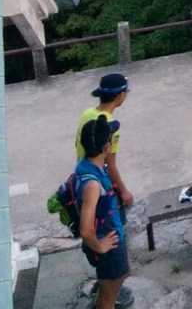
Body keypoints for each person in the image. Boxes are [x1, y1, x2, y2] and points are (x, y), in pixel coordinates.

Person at [75, 115, 130, 309]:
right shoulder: (92, 184)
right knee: (108, 301)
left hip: (110, 242)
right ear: (106, 147)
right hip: (109, 249)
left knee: (109, 292)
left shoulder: (86, 166)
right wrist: (100, 246)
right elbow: (85, 230)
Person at [75, 73, 134, 213]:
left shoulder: (87, 113)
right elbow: (111, 165)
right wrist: (124, 191)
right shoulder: (110, 126)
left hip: (82, 170)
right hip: (100, 179)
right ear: (121, 95)